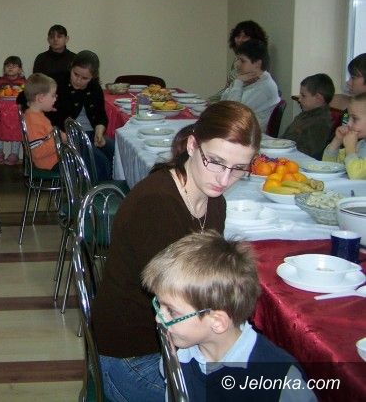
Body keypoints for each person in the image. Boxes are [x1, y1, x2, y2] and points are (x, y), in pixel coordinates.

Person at [91, 100, 261, 402]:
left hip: (175, 339)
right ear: (193, 145)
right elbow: (182, 309)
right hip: (133, 354)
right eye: (216, 162)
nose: (224, 179)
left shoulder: (213, 201)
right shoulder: (156, 205)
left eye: (238, 169)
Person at [139, 231, 315, 402]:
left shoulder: (279, 379)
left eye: (171, 311)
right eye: (159, 304)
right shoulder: (177, 356)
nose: (158, 318)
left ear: (217, 322)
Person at [48, 50, 113, 182]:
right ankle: (98, 191)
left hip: (90, 133)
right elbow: (45, 112)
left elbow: (100, 115)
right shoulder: (57, 82)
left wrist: (99, 132)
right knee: (100, 163)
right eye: (75, 74)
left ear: (93, 77)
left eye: (84, 78)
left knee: (115, 151)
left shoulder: (95, 87)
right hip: (66, 135)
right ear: (71, 67)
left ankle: (115, 188)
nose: (78, 80)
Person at [220, 39, 280, 132]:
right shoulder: (250, 80)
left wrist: (238, 82)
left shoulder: (263, 88)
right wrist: (238, 83)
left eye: (242, 61)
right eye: (237, 59)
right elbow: (223, 101)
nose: (237, 64)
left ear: (257, 64)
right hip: (239, 129)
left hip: (248, 134)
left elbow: (232, 112)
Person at [208, 21, 268, 103]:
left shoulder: (254, 64)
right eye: (238, 36)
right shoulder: (238, 58)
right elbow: (228, 89)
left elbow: (236, 104)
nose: (240, 40)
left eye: (245, 36)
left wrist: (214, 104)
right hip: (227, 99)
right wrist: (210, 100)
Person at [280, 73, 335, 159]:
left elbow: (307, 153)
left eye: (303, 95)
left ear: (319, 98)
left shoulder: (321, 123)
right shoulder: (305, 114)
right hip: (285, 153)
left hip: (294, 159)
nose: (299, 99)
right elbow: (286, 137)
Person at [23, 73, 63, 170]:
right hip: (49, 163)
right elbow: (37, 152)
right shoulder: (32, 120)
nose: (55, 99)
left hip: (53, 159)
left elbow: (47, 136)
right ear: (40, 98)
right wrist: (59, 139)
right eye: (53, 96)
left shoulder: (37, 115)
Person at [323, 92, 366, 178]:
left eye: (354, 119)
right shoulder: (360, 145)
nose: (348, 124)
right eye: (348, 117)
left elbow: (357, 176)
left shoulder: (353, 147)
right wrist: (337, 141)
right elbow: (329, 166)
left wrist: (350, 150)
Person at [0, 55, 26, 165]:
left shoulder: (23, 82)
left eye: (14, 66)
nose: (10, 68)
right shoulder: (1, 82)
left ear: (20, 69)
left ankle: (14, 153)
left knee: (17, 129)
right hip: (2, 112)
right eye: (8, 66)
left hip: (16, 112)